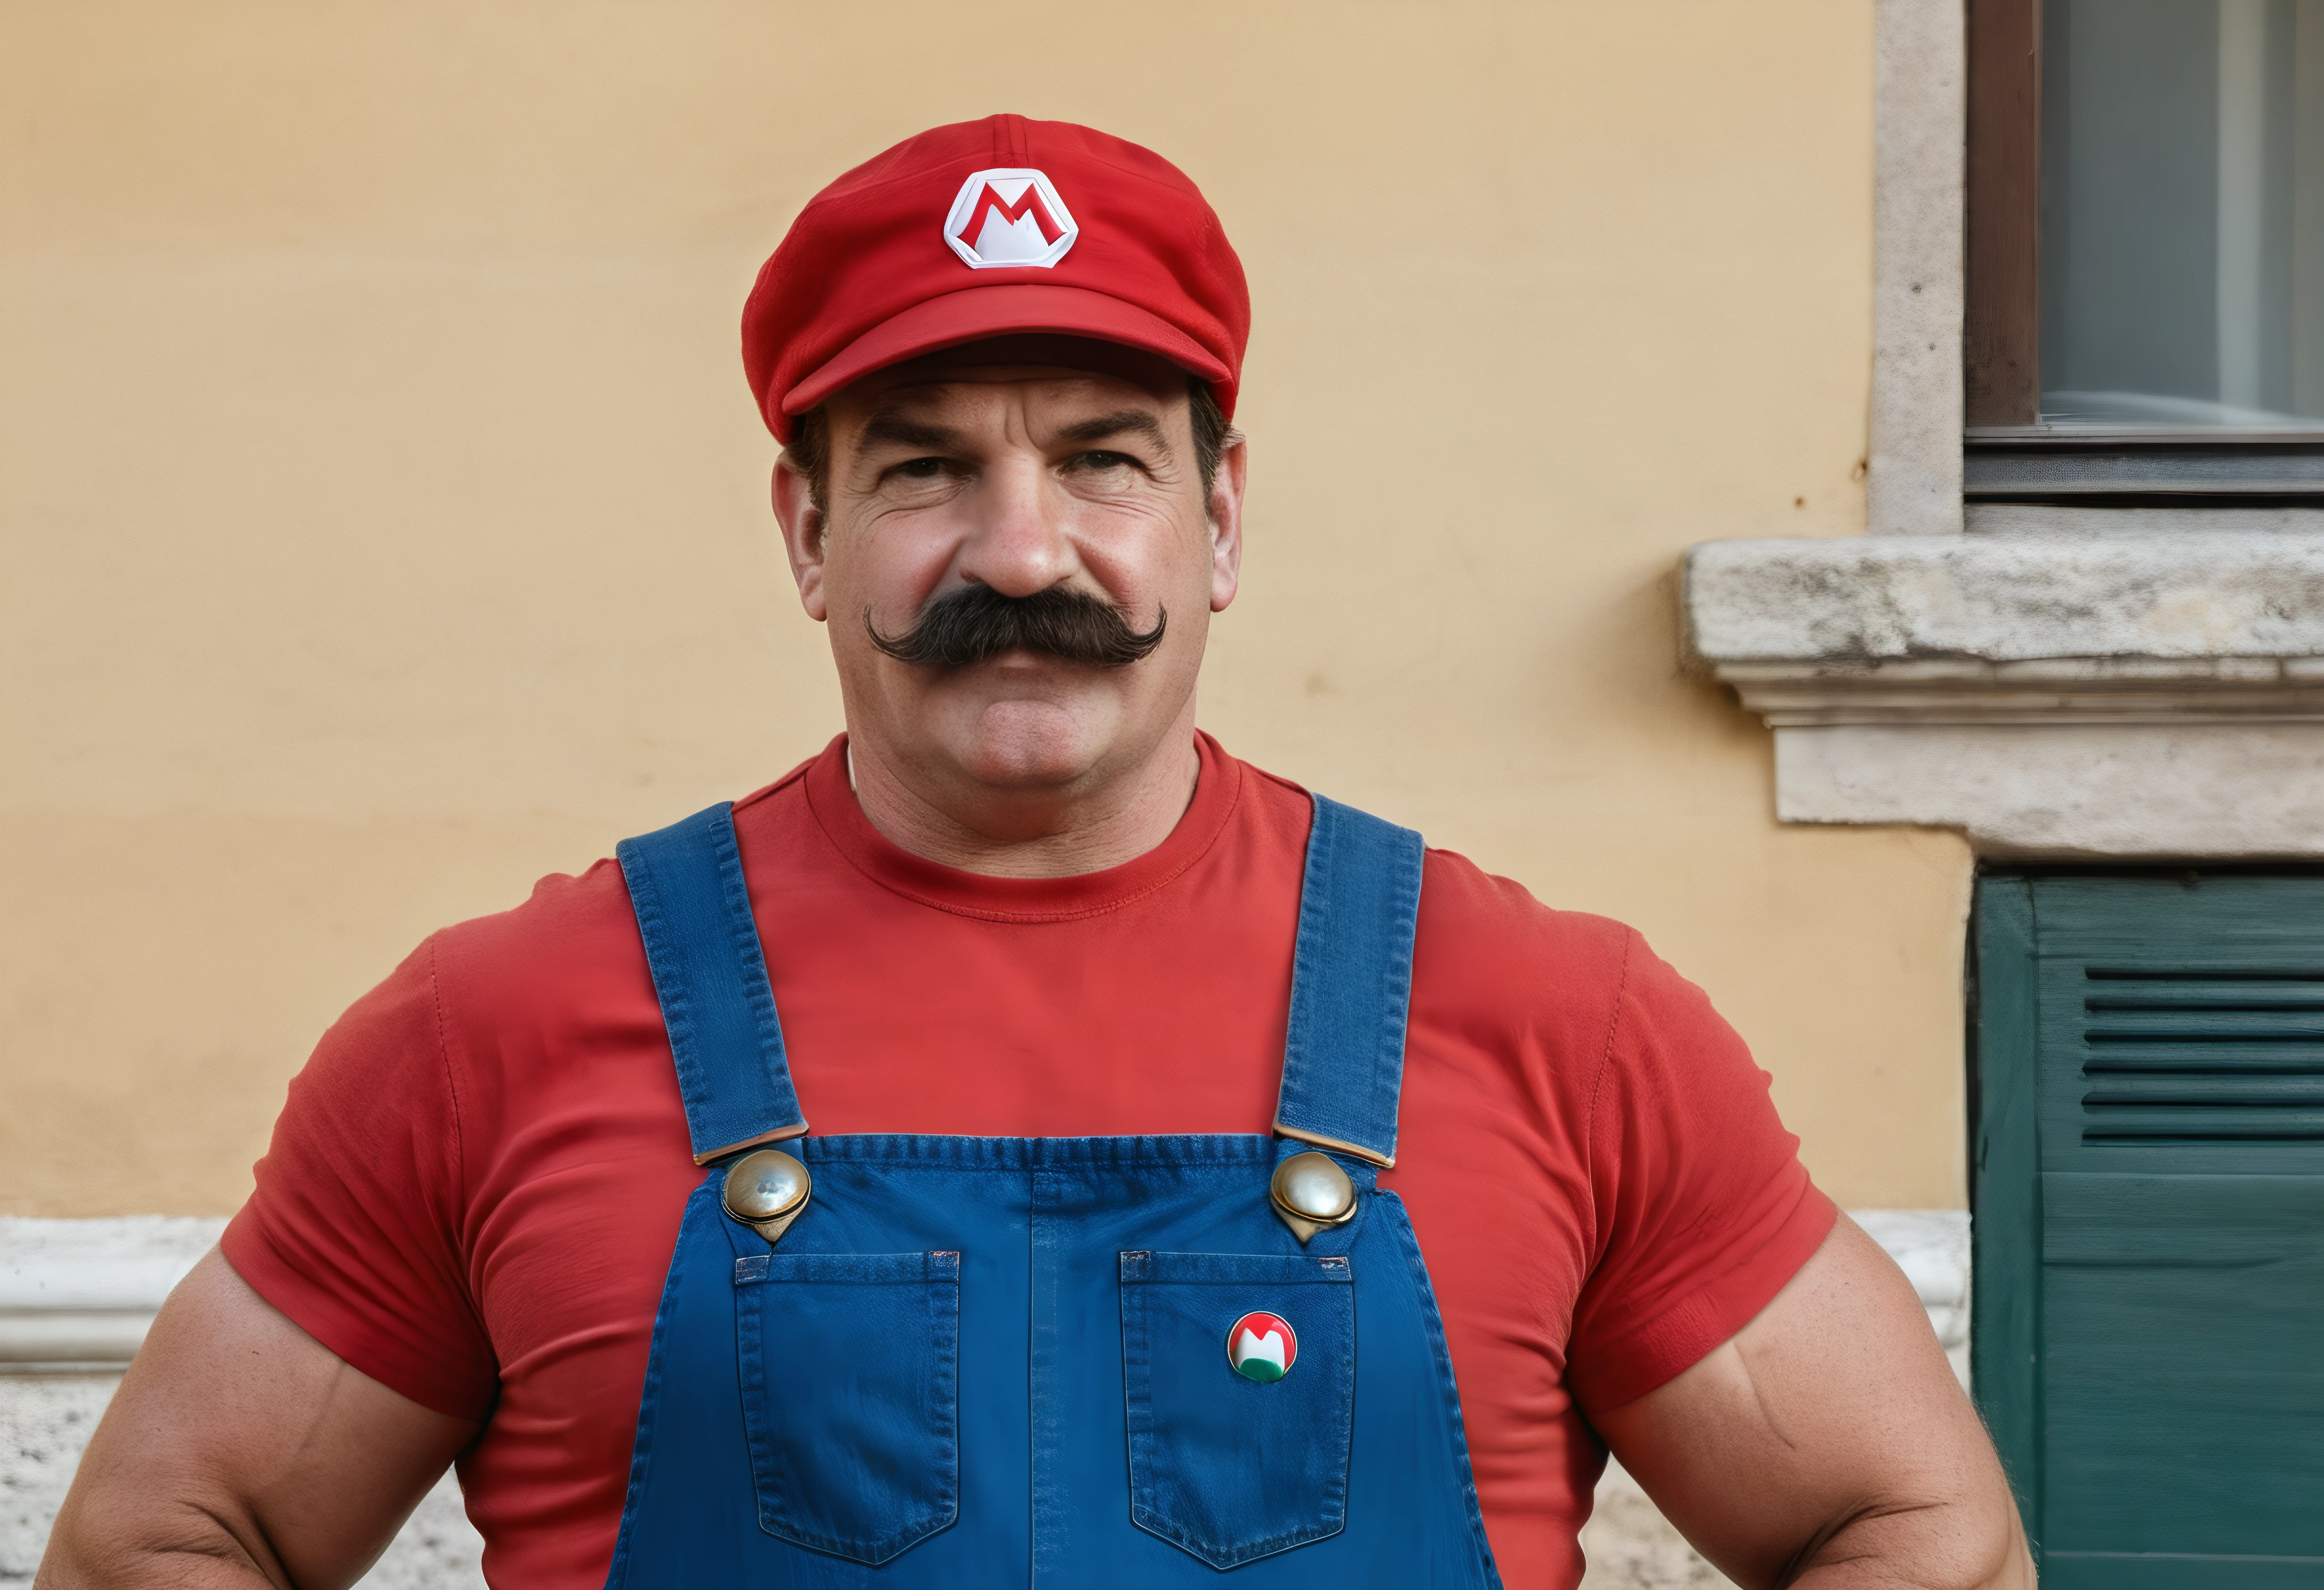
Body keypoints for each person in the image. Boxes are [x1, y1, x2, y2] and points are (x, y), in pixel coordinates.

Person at [40, 116, 2030, 1590]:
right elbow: (167, 1535)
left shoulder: (1548, 1019)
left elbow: (1913, 1525)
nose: (1019, 552)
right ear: (805, 533)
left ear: (1219, 518)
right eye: (923, 465)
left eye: (1100, 456)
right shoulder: (497, 1028)